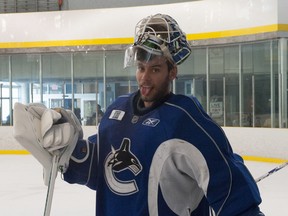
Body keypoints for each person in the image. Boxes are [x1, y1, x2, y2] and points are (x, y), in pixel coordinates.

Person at [13, 14, 265, 215]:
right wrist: (67, 149)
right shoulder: (116, 111)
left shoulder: (185, 120)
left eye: (155, 69)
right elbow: (97, 170)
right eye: (141, 68)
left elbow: (229, 184)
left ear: (172, 71)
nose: (144, 77)